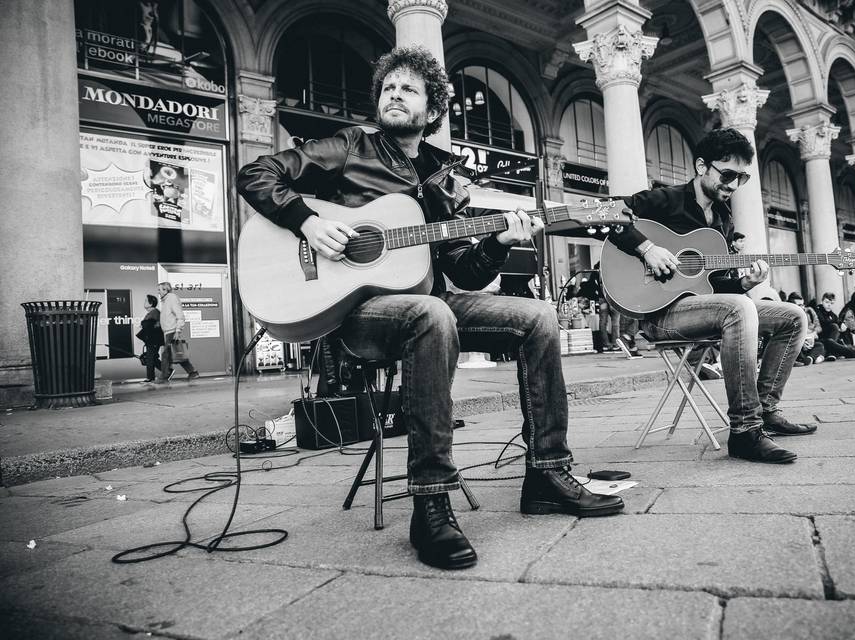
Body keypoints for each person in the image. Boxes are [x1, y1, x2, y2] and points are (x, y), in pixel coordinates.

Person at [236, 47, 623, 571]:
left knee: (538, 317)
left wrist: (500, 243)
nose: (395, 94)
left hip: (430, 299)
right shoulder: (352, 145)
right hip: (361, 312)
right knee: (431, 314)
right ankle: (431, 502)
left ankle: (547, 474)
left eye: (409, 89)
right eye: (388, 88)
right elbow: (257, 173)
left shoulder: (446, 177)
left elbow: (465, 272)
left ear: (433, 110)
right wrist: (306, 221)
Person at [608, 127, 815, 465]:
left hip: (702, 310)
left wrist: (746, 285)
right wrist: (646, 248)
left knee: (793, 316)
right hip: (660, 314)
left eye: (742, 178)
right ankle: (745, 431)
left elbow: (714, 288)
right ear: (702, 166)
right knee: (739, 309)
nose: (733, 185)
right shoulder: (667, 199)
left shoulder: (722, 218)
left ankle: (765, 411)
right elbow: (610, 212)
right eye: (728, 174)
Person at [157, 281, 200, 382]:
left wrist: (178, 330)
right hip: (168, 331)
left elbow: (180, 316)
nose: (158, 292)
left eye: (159, 290)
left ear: (165, 289)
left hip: (172, 331)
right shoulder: (166, 300)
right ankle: (193, 372)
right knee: (176, 353)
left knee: (166, 354)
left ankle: (164, 376)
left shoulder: (171, 298)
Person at [815, 292, 855, 360]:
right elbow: (824, 322)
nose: (829, 305)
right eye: (827, 302)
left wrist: (842, 325)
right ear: (822, 301)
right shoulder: (818, 310)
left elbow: (838, 321)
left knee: (840, 331)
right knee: (834, 327)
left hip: (831, 339)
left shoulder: (832, 314)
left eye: (831, 303)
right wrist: (839, 324)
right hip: (821, 337)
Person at [787, 292, 825, 365]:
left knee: (820, 345)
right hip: (796, 344)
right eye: (799, 305)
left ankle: (809, 358)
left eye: (803, 304)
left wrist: (813, 335)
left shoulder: (809, 311)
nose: (803, 307)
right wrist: (802, 341)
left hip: (809, 340)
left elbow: (819, 327)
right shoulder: (788, 316)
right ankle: (813, 358)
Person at [135, 294, 164, 383]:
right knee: (152, 357)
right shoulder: (152, 313)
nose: (144, 303)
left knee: (150, 358)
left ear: (151, 303)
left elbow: (149, 326)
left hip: (153, 339)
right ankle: (167, 371)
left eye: (145, 301)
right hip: (152, 339)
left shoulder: (155, 312)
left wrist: (143, 324)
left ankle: (150, 378)